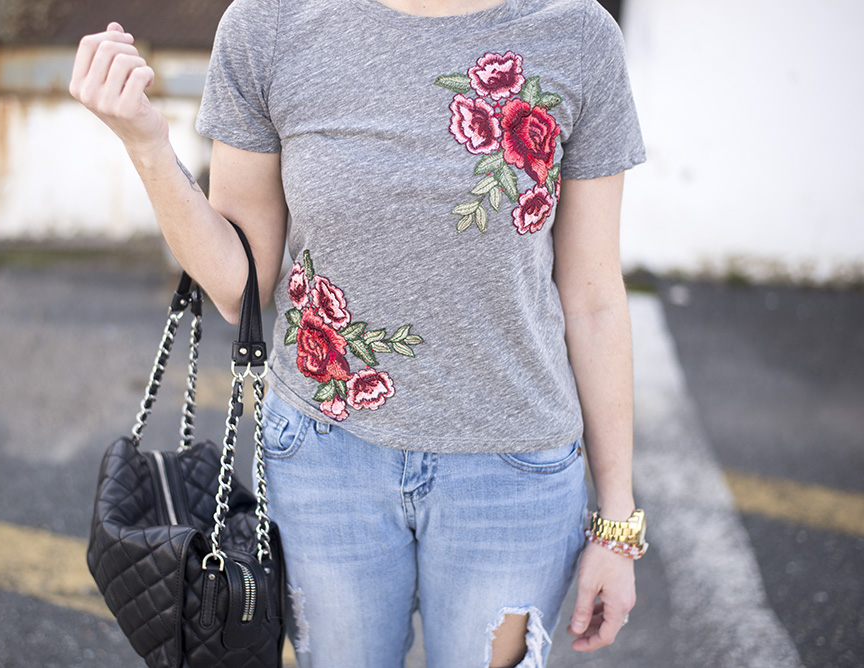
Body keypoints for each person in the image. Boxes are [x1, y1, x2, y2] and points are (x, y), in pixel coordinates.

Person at [70, 0, 647, 665]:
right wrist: (146, 145)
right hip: (324, 459)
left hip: (511, 470)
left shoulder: (576, 34)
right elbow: (241, 286)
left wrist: (616, 524)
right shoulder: (271, 24)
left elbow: (595, 298)